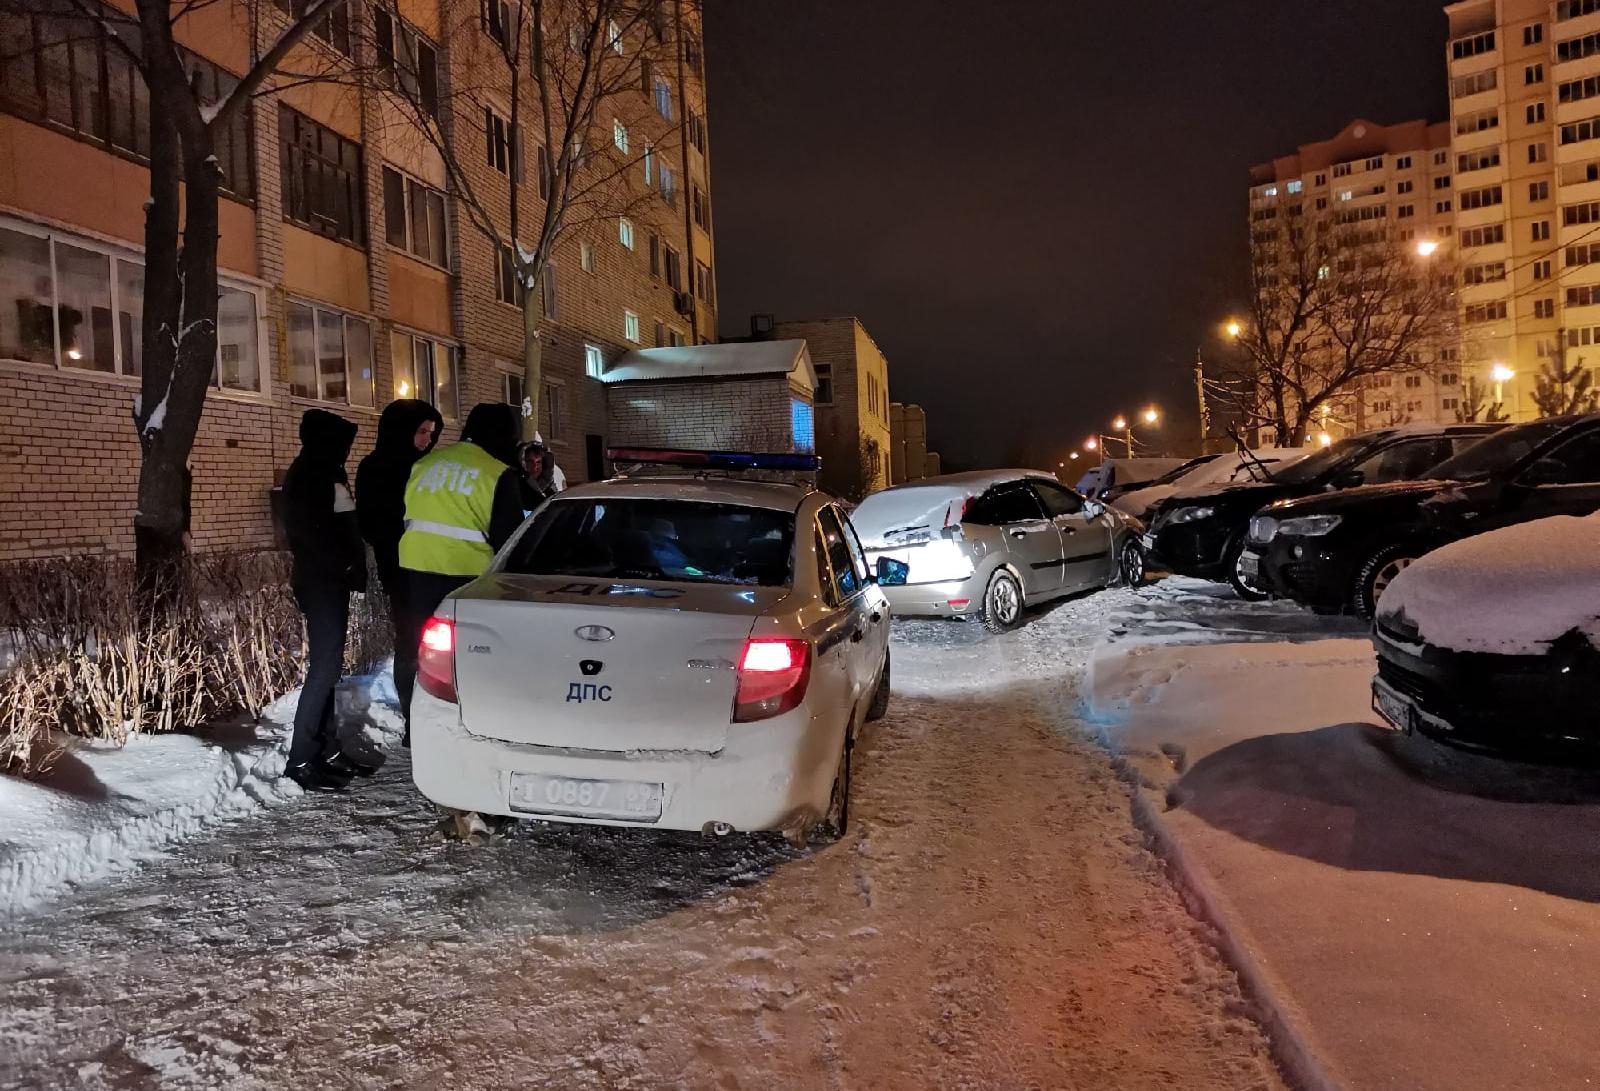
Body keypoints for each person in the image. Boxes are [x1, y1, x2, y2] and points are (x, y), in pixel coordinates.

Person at [395, 402, 525, 742]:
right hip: (467, 575)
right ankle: (466, 728)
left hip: (416, 567)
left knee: (422, 652)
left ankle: (417, 727)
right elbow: (509, 538)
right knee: (469, 656)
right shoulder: (497, 472)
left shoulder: (425, 464)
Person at [281, 409, 376, 792]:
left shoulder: (326, 472)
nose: (347, 450)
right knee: (323, 669)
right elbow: (311, 537)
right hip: (321, 583)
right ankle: (301, 758)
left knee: (331, 667)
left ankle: (327, 749)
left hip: (330, 581)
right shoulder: (309, 475)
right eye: (343, 443)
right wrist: (344, 566)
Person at [355, 399, 443, 717]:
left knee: (437, 644)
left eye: (432, 433)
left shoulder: (432, 468)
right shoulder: (376, 468)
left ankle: (436, 709)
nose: (428, 440)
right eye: (421, 432)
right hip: (401, 570)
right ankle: (412, 715)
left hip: (437, 568)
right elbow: (369, 523)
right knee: (410, 643)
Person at [515, 436, 567, 516]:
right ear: (523, 462)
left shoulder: (549, 488)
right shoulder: (516, 487)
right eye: (530, 461)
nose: (535, 467)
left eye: (538, 462)